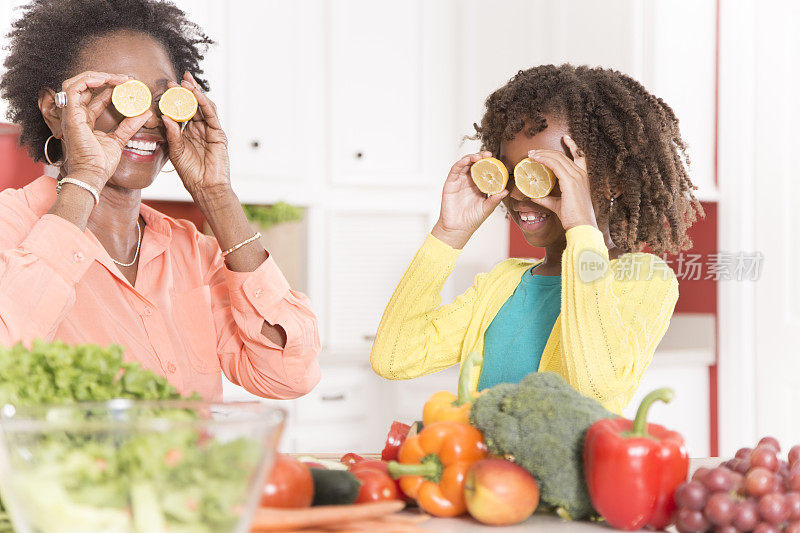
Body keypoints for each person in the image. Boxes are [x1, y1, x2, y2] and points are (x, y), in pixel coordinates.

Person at [0, 0, 321, 401]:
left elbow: (289, 376)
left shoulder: (191, 253)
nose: (148, 119)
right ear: (54, 110)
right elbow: (6, 357)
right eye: (118, 96)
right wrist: (84, 178)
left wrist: (217, 197)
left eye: (161, 99)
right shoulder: (9, 228)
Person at [370, 64, 702, 413]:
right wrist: (447, 235)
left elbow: (596, 382)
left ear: (613, 183)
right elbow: (394, 358)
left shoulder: (643, 277)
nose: (519, 193)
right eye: (511, 173)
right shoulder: (503, 284)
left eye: (547, 173)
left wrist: (581, 229)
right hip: (486, 469)